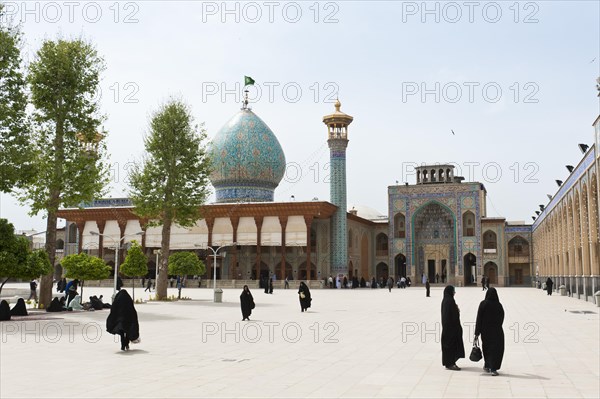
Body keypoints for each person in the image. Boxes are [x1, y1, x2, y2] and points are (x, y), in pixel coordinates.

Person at [475, 287, 505, 376]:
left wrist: (477, 332)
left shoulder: (483, 304)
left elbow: (479, 319)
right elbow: (502, 317)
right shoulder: (498, 305)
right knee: (496, 349)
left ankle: (488, 365)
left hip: (485, 331)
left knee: (487, 348)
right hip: (497, 331)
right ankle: (493, 368)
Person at [441, 285, 465, 371]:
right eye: (453, 291)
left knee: (451, 345)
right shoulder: (449, 301)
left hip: (449, 328)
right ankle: (450, 363)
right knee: (450, 346)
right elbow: (450, 316)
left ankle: (450, 362)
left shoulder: (446, 300)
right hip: (450, 328)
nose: (454, 293)